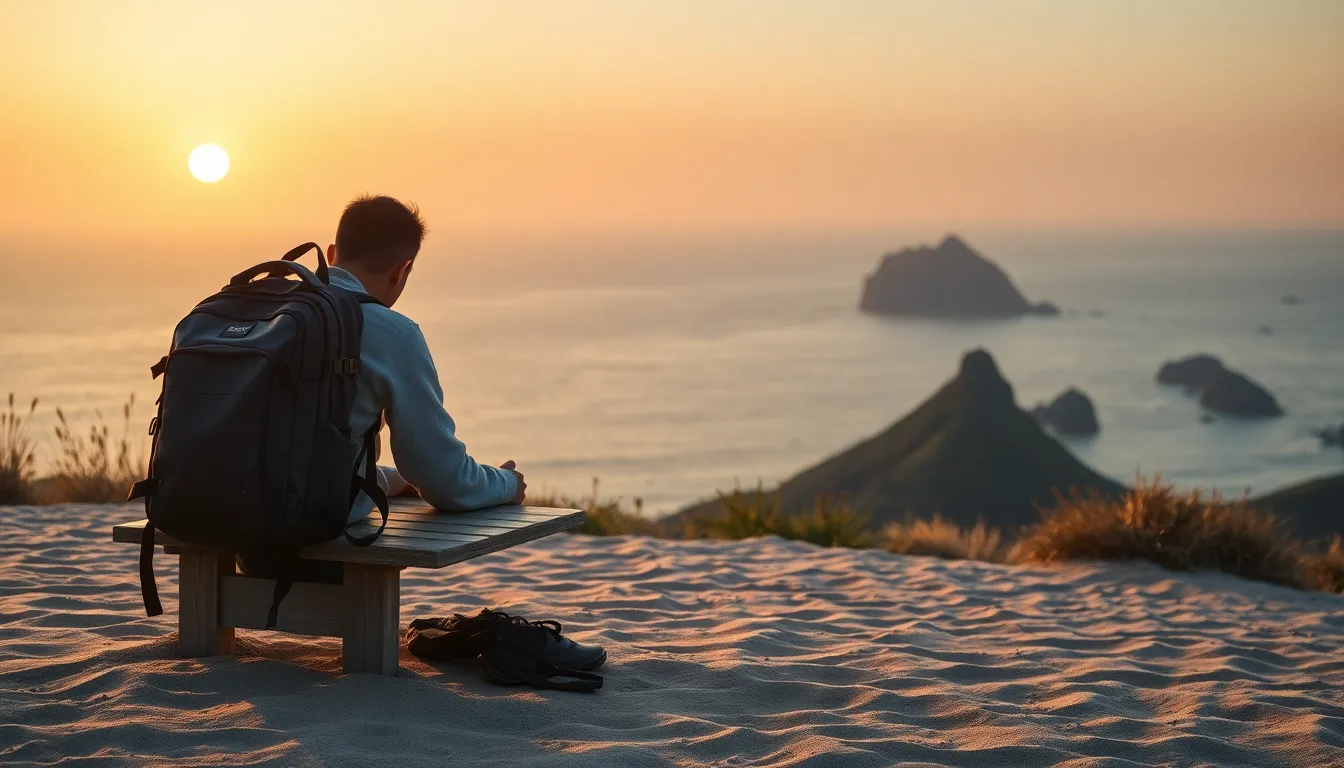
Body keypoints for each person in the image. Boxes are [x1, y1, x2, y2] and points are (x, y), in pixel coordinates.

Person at [325, 194, 526, 518]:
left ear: (332, 254)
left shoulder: (266, 307)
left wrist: (392, 480)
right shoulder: (392, 333)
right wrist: (506, 484)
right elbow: (444, 480)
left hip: (226, 515)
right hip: (314, 530)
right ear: (401, 271)